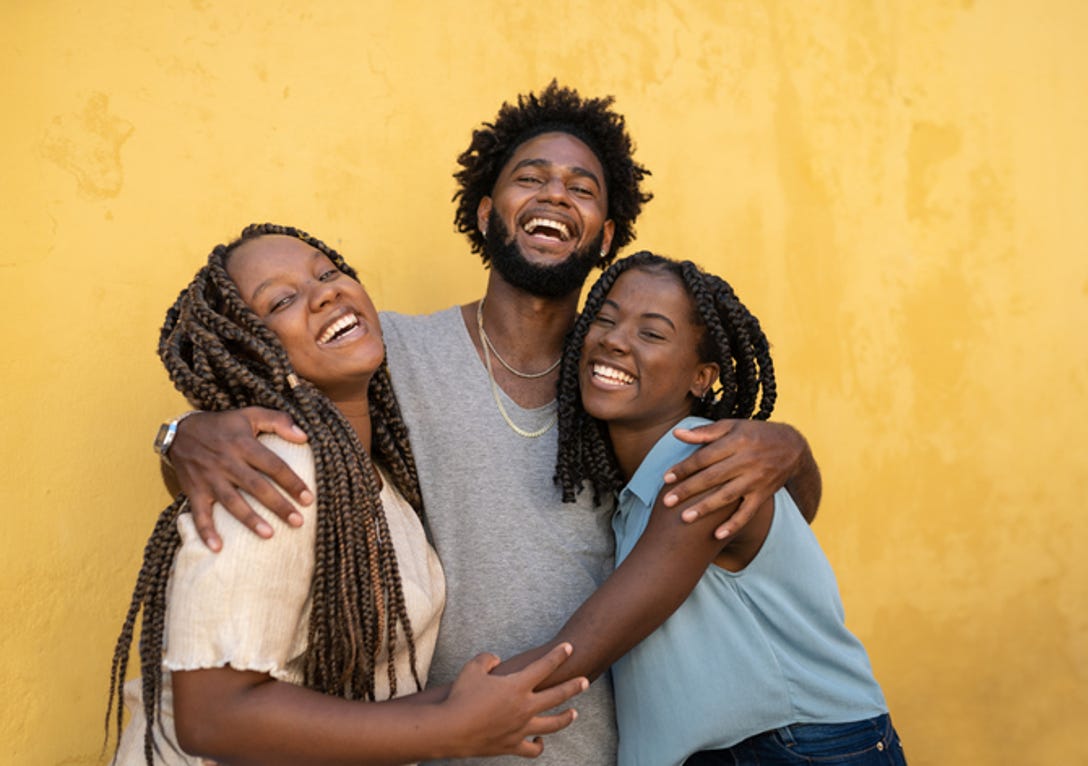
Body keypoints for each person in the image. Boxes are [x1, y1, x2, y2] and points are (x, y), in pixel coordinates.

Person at [163, 83, 823, 764]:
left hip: (595, 749)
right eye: (530, 178)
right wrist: (181, 437)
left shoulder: (620, 382)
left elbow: (756, 514)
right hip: (442, 744)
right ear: (485, 214)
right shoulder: (384, 352)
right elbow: (270, 424)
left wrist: (791, 450)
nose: (555, 194)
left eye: (581, 187)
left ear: (604, 238)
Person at [106, 224, 588, 765]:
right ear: (248, 349)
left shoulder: (370, 476)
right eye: (282, 300)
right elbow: (212, 714)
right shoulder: (276, 469)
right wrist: (447, 727)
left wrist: (463, 711)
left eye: (328, 273)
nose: (326, 293)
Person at [499, 251, 904, 765]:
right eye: (604, 319)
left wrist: (422, 718)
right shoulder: (642, 488)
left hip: (797, 749)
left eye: (652, 333)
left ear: (701, 377)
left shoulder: (704, 471)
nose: (615, 339)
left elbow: (579, 653)